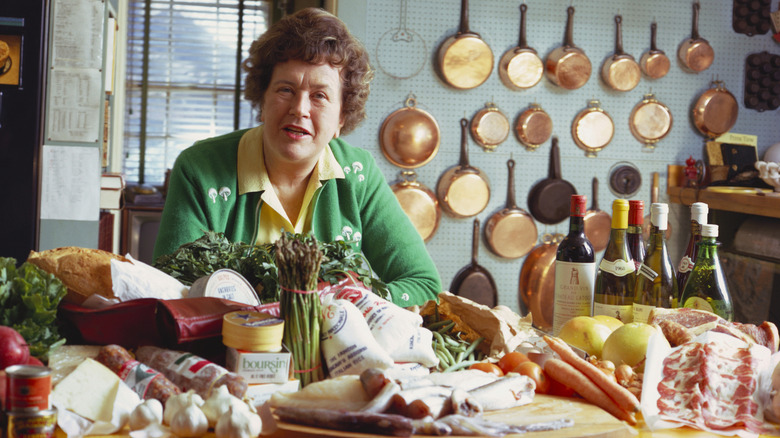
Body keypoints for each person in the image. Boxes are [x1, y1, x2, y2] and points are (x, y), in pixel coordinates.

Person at [153, 7, 441, 307]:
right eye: (286, 89)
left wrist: (354, 301)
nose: (299, 108)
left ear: (342, 116)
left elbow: (424, 285)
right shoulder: (200, 168)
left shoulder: (359, 175)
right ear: (262, 100)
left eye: (319, 95)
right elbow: (170, 288)